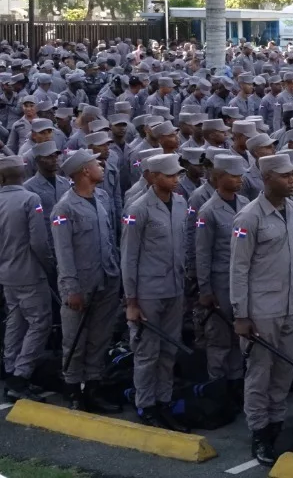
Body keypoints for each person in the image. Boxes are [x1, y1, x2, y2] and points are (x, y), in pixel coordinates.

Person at [230, 153, 293, 466]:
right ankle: (260, 433)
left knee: (284, 371)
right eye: (285, 175)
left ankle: (277, 425)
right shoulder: (249, 217)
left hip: (289, 304)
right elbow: (238, 269)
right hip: (261, 309)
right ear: (267, 178)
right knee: (260, 374)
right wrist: (241, 315)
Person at [51, 149, 122, 413]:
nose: (101, 165)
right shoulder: (64, 207)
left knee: (100, 337)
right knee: (75, 340)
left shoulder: (101, 197)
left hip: (106, 278)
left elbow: (109, 240)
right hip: (80, 283)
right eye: (95, 163)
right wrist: (71, 288)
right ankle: (72, 389)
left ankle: (93, 387)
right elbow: (63, 252)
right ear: (84, 171)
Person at [121, 153, 188, 431]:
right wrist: (131, 301)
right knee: (147, 352)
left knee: (169, 349)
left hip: (175, 288)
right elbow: (128, 257)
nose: (176, 179)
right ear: (155, 176)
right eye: (170, 175)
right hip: (148, 291)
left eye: (177, 175)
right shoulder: (139, 209)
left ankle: (164, 400)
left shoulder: (181, 202)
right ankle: (146, 404)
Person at [0, 154, 55, 402]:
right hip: (30, 272)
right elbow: (39, 242)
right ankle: (21, 376)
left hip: (7, 273)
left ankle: (10, 368)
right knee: (40, 322)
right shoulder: (31, 199)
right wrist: (50, 267)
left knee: (16, 320)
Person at [194, 154, 249, 388]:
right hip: (219, 281)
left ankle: (236, 380)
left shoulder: (246, 204)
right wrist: (205, 289)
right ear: (218, 178)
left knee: (239, 334)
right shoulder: (208, 211)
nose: (239, 180)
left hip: (241, 280)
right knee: (219, 338)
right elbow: (202, 253)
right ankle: (217, 385)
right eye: (233, 176)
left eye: (240, 176)